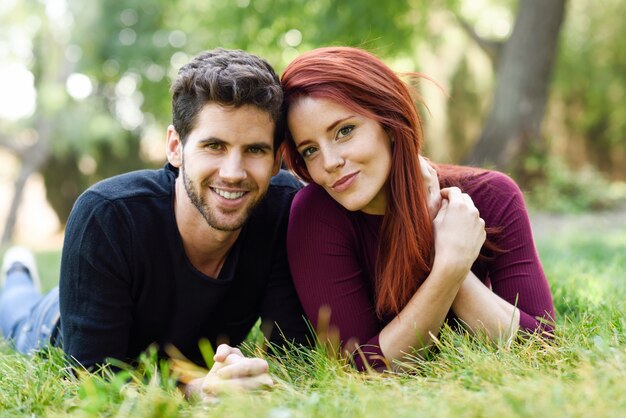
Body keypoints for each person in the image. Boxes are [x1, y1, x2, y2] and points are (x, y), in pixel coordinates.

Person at [0, 48, 311, 397]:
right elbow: (95, 384)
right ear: (176, 147)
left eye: (254, 150)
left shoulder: (285, 210)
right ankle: (16, 273)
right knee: (14, 310)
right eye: (214, 146)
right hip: (54, 321)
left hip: (179, 356)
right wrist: (195, 391)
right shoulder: (108, 216)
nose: (233, 173)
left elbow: (291, 357)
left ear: (275, 160)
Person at [281, 46, 555, 371]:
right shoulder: (316, 215)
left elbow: (541, 352)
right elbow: (359, 372)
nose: (329, 163)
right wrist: (448, 264)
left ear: (389, 122)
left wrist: (448, 251)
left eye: (344, 131)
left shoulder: (493, 196)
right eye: (310, 150)